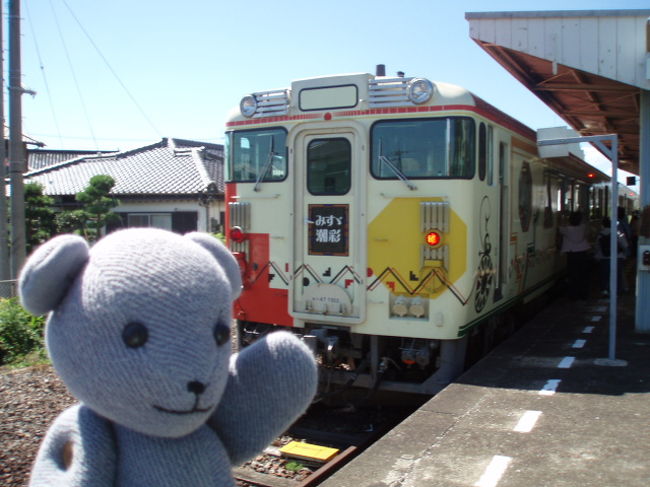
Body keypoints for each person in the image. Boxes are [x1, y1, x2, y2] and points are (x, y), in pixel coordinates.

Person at [559, 211, 591, 300]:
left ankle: (573, 295)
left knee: (573, 275)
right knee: (583, 275)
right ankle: (583, 294)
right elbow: (588, 230)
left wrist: (563, 219)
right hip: (583, 253)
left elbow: (559, 228)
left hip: (572, 254)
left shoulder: (566, 230)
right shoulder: (583, 228)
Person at [593, 216, 628, 297]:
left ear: (603, 225)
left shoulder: (600, 234)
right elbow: (625, 245)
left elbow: (597, 247)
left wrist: (597, 255)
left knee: (604, 276)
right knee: (617, 275)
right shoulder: (617, 232)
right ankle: (618, 291)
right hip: (617, 257)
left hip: (604, 258)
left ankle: (605, 290)